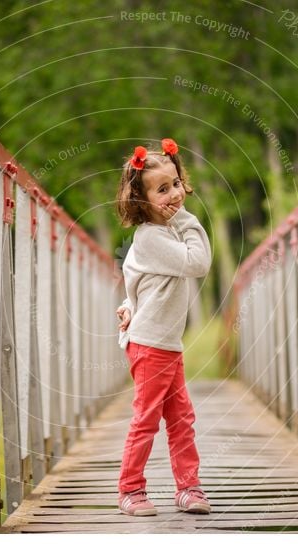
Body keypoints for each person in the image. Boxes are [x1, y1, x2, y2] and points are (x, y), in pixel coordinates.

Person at [113, 138, 213, 517]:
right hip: (151, 345)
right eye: (162, 189)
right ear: (142, 200)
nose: (174, 195)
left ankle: (188, 487)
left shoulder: (164, 233)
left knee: (182, 418)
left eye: (175, 184)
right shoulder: (153, 236)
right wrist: (187, 219)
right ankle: (130, 489)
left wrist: (128, 305)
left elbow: (136, 282)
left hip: (167, 343)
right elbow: (198, 263)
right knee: (147, 418)